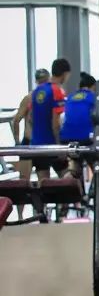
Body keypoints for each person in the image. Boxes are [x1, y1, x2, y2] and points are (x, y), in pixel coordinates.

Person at [10, 69, 47, 218]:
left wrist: (17, 141)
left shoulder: (30, 98)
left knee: (26, 183)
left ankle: (26, 215)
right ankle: (39, 215)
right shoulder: (43, 98)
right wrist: (17, 142)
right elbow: (16, 120)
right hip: (37, 144)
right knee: (39, 182)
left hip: (32, 143)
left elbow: (16, 120)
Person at [29, 57, 70, 181]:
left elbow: (31, 118)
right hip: (52, 145)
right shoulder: (57, 90)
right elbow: (56, 122)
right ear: (65, 74)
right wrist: (60, 147)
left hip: (36, 145)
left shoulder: (36, 91)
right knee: (68, 179)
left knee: (43, 183)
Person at [60, 72, 96, 179]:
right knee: (97, 168)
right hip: (86, 138)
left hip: (67, 138)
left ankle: (69, 182)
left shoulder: (70, 97)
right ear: (93, 86)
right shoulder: (93, 97)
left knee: (75, 170)